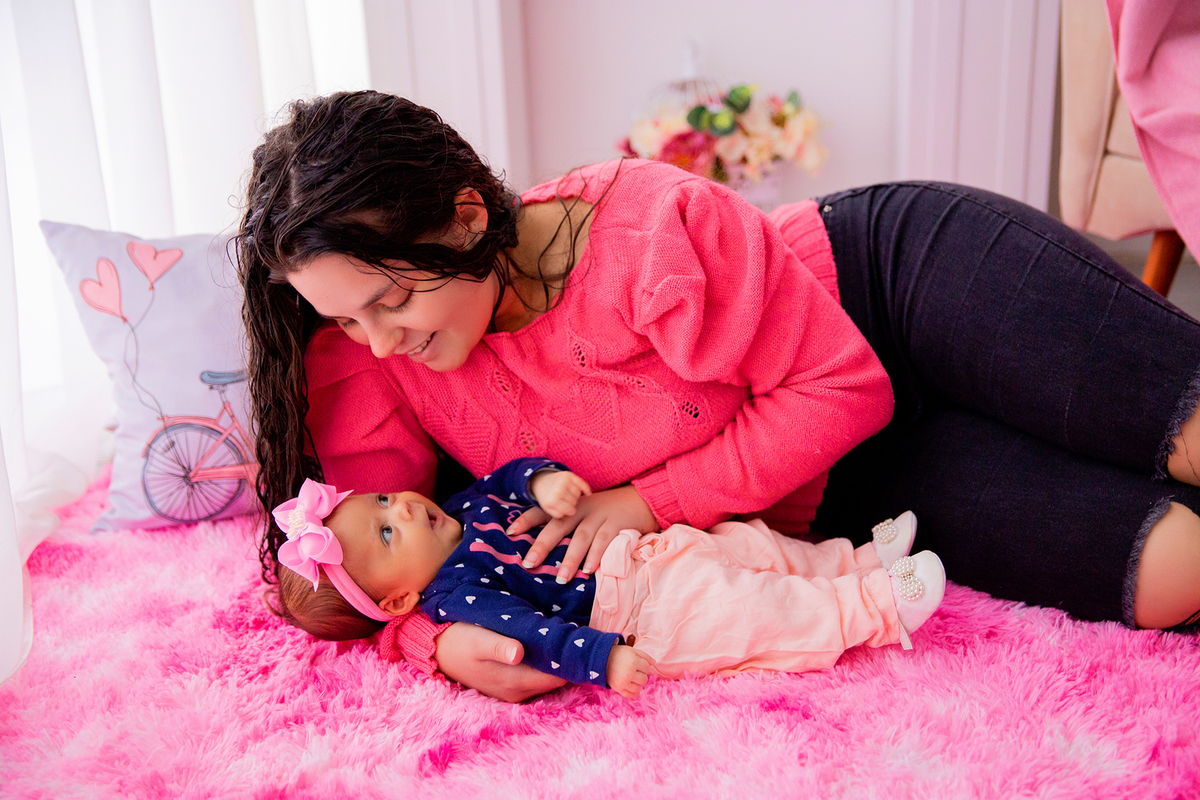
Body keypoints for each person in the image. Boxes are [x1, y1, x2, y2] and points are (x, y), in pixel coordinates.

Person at [236, 91, 1200, 702]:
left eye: (394, 298)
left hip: (888, 287)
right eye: (348, 316)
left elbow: (841, 387)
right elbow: (356, 564)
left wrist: (645, 503)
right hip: (828, 487)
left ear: (466, 215)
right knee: (1176, 574)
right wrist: (433, 645)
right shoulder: (366, 358)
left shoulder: (648, 227)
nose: (378, 337)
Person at [268, 456, 944, 698]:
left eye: (383, 503)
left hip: (641, 551)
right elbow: (531, 635)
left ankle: (852, 560)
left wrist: (541, 479)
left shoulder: (462, 509)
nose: (403, 508)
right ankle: (874, 608)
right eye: (389, 534)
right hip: (633, 613)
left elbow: (504, 476)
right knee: (746, 607)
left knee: (751, 544)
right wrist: (603, 659)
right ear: (401, 598)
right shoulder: (457, 598)